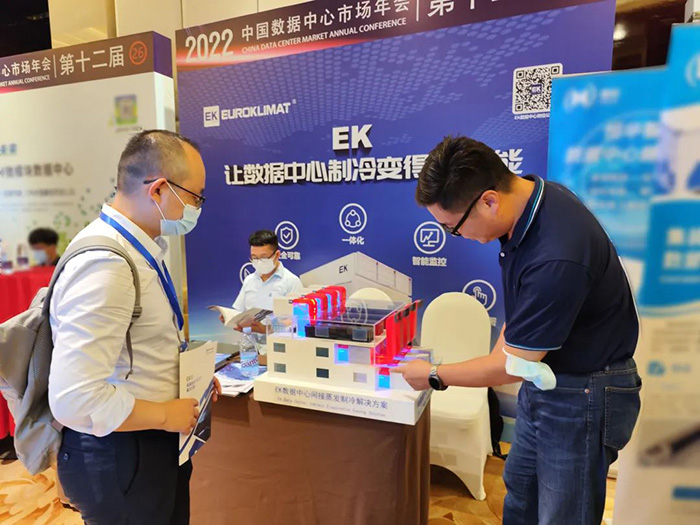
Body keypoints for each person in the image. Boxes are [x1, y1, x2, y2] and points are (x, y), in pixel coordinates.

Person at [397, 136, 641, 525]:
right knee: (521, 494)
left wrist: (433, 375)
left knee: (564, 513)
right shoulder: (531, 203)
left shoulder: (556, 255)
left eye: (453, 228)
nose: (457, 237)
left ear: (489, 201)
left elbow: (510, 365)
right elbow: (520, 327)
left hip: (584, 392)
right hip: (546, 380)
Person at [48, 130, 220, 524]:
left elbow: (138, 347)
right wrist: (164, 415)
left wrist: (185, 381)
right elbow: (74, 399)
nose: (197, 208)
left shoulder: (138, 250)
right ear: (159, 189)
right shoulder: (106, 264)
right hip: (121, 455)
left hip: (148, 443)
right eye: (195, 197)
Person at [226, 230, 303, 334]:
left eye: (264, 257)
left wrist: (266, 329)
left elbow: (298, 320)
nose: (259, 262)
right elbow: (239, 312)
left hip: (278, 342)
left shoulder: (291, 282)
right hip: (250, 342)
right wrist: (229, 318)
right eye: (254, 258)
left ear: (277, 255)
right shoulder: (249, 280)